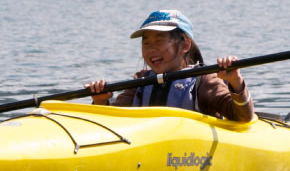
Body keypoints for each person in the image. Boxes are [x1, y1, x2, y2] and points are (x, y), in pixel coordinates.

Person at [84, 10, 255, 123]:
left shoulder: (203, 80)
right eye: (147, 43)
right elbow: (111, 121)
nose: (152, 49)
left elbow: (242, 117)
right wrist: (100, 101)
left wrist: (235, 82)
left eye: (159, 41)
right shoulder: (140, 82)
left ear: (185, 44)